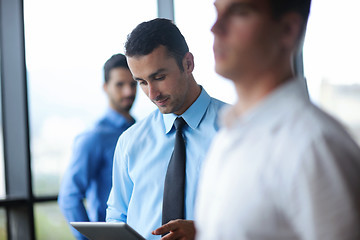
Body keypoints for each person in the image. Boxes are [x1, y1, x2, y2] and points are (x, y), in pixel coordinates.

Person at [195, 0, 360, 239]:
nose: (215, 28)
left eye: (240, 12)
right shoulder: (228, 134)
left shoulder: (314, 144)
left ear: (287, 30)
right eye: (217, 11)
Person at [106, 18, 227, 240]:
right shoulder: (130, 142)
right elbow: (117, 215)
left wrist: (205, 233)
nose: (152, 94)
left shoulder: (237, 132)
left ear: (188, 64)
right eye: (141, 82)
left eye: (159, 78)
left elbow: (268, 219)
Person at [58, 53, 137, 240]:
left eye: (133, 84)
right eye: (120, 84)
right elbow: (69, 197)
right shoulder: (94, 137)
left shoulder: (140, 131)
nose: (128, 91)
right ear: (105, 87)